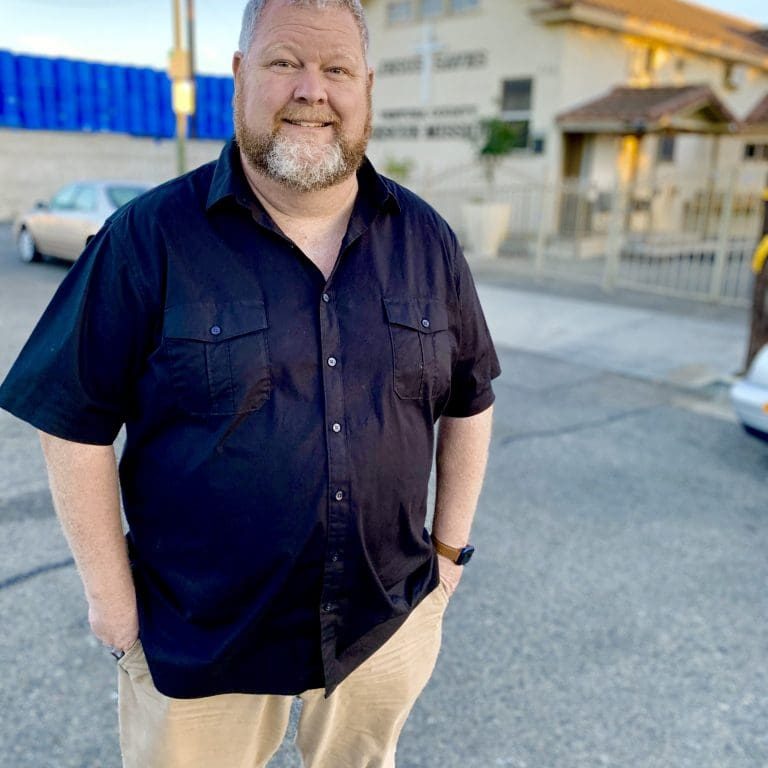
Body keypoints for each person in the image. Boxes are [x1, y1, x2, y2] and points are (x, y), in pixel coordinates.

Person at [0, 0, 500, 765]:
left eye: (336, 69)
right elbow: (71, 418)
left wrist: (448, 556)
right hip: (200, 641)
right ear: (239, 75)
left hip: (385, 623)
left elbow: (470, 400)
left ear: (365, 85)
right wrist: (111, 602)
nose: (312, 89)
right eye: (283, 62)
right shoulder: (148, 238)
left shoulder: (426, 239)